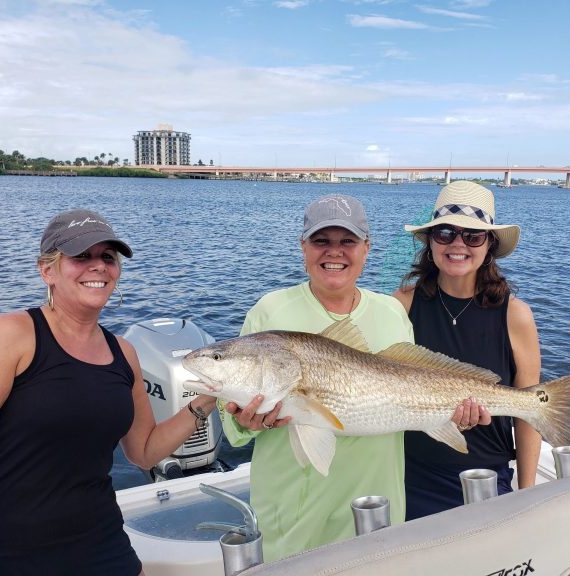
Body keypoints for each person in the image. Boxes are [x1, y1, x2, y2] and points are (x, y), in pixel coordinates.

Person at [0, 209, 218, 576]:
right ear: (48, 270)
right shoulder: (11, 336)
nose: (98, 267)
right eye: (81, 256)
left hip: (100, 543)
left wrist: (207, 400)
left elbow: (143, 452)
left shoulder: (123, 353)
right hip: (3, 554)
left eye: (108, 257)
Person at [220, 194, 415, 561]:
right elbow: (232, 420)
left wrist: (458, 414)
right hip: (293, 511)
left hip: (377, 501)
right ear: (303, 246)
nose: (334, 252)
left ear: (367, 248)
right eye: (322, 241)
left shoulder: (392, 312)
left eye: (348, 241)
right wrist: (243, 420)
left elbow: (420, 391)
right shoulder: (270, 311)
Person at [393, 180, 541, 519]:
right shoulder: (401, 304)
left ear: (488, 245)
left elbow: (532, 408)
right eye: (445, 233)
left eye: (472, 235)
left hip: (486, 477)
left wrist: (527, 492)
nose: (457, 244)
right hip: (408, 477)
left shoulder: (515, 315)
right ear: (430, 241)